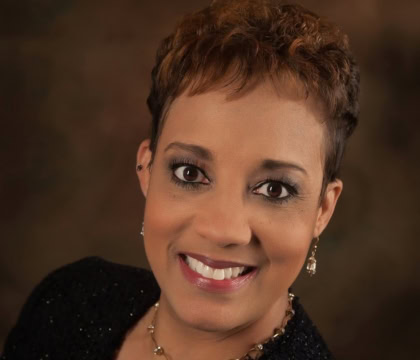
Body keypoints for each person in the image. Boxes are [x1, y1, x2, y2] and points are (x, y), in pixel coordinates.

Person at [1, 0, 359, 359]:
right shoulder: (65, 306)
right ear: (147, 169)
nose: (222, 229)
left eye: (274, 189)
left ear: (323, 210)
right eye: (190, 173)